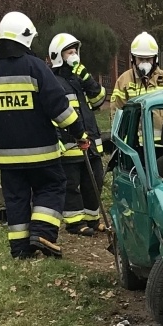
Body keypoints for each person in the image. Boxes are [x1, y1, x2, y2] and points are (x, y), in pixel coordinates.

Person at [0, 11, 81, 259]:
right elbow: (58, 106)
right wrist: (78, 132)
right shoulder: (36, 67)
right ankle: (42, 233)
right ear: (26, 36)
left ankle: (20, 250)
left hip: (8, 158)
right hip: (42, 154)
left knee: (16, 199)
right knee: (52, 186)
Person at [47, 31, 108, 235]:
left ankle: (92, 219)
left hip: (91, 142)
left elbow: (99, 100)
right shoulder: (53, 81)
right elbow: (52, 112)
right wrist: (57, 138)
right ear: (58, 55)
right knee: (72, 184)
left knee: (95, 181)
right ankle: (74, 223)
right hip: (70, 143)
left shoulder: (80, 79)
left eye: (75, 52)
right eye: (69, 52)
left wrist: (87, 78)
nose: (73, 56)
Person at [110, 32, 163, 141]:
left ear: (155, 59)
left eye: (148, 59)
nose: (145, 63)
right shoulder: (123, 81)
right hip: (134, 146)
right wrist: (120, 141)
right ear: (133, 58)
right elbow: (116, 113)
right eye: (141, 59)